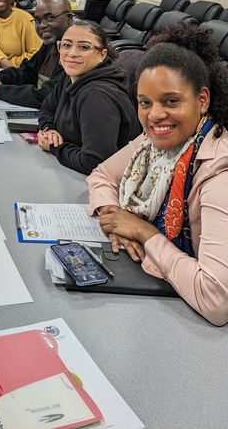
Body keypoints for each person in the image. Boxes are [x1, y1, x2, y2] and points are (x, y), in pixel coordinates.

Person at [87, 24, 228, 326]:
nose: (154, 116)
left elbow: (215, 300)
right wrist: (115, 218)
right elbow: (101, 176)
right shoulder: (154, 141)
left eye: (171, 101)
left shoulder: (220, 170)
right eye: (145, 102)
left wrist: (143, 232)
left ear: (202, 100)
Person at [37, 20, 141, 175]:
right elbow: (48, 107)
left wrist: (54, 147)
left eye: (84, 47)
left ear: (102, 55)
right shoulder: (72, 75)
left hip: (106, 184)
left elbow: (94, 162)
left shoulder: (96, 96)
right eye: (66, 45)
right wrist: (49, 129)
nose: (72, 53)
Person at [0, 0, 73, 107]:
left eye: (49, 18)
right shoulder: (51, 44)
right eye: (37, 21)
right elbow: (28, 71)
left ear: (69, 19)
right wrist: (0, 77)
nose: (42, 25)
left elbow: (48, 95)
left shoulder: (75, 52)